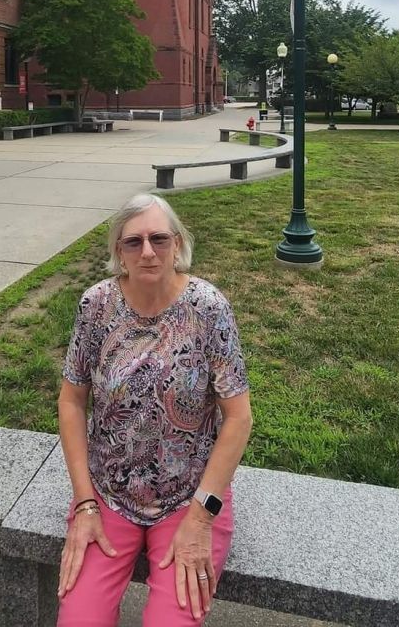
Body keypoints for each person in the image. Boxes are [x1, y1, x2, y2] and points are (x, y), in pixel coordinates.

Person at [57, 193, 252, 626]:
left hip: (190, 495)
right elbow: (71, 400)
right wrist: (85, 503)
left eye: (159, 239)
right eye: (134, 241)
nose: (148, 251)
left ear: (177, 244)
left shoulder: (209, 308)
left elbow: (239, 417)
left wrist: (201, 516)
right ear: (119, 251)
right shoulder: (96, 306)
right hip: (108, 494)